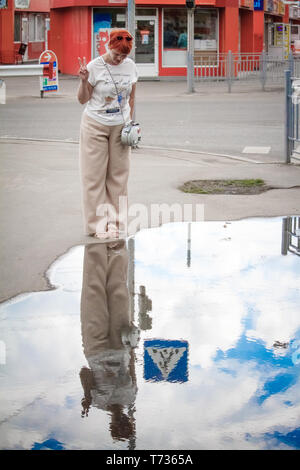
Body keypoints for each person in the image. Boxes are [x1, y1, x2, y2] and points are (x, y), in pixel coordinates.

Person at [77, 29, 138, 240]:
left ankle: (116, 223)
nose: (120, 59)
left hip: (121, 126)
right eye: (116, 55)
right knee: (94, 176)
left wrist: (132, 125)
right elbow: (82, 99)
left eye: (124, 56)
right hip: (96, 124)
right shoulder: (94, 66)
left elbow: (131, 98)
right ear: (108, 47)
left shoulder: (130, 67)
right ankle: (96, 225)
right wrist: (84, 81)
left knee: (119, 177)